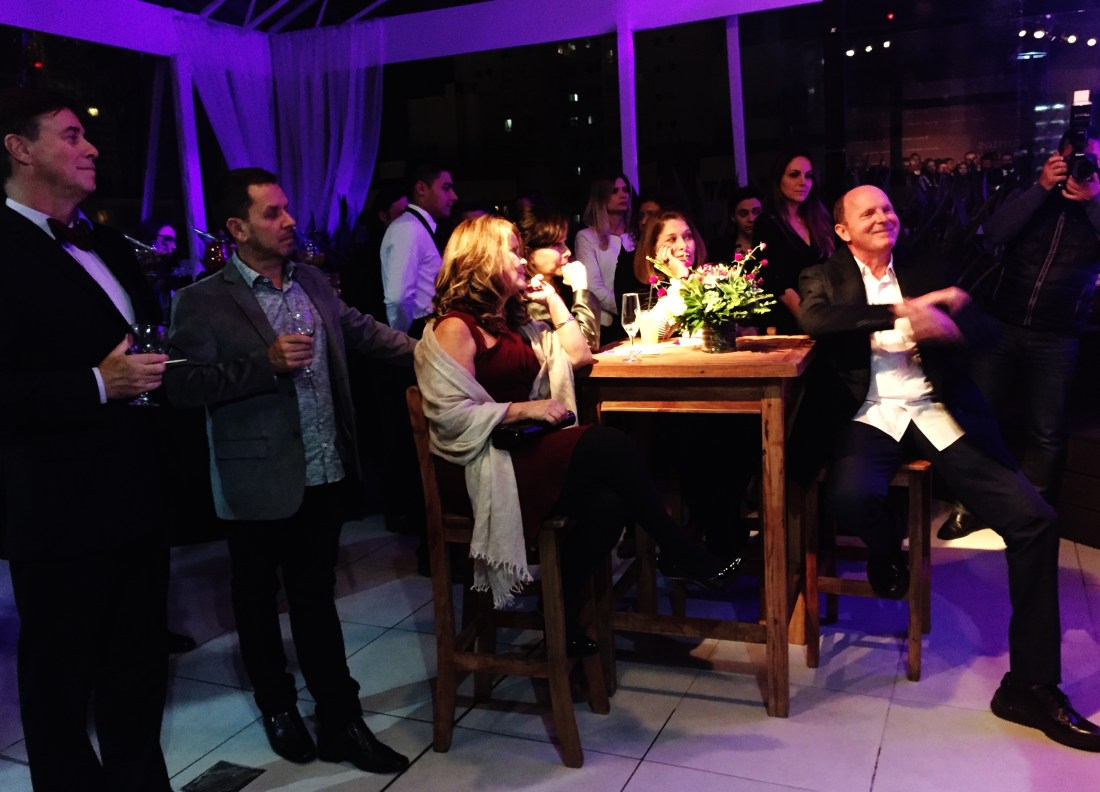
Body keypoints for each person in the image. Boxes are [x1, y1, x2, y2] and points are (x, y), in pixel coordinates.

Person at [798, 184, 1100, 752]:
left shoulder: (926, 267)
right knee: (850, 499)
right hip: (868, 414)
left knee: (1035, 521)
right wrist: (898, 311)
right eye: (868, 212)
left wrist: (955, 321)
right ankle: (887, 551)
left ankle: (1030, 687)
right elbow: (816, 318)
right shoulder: (824, 275)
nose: (883, 217)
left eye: (888, 208)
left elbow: (987, 336)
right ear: (842, 230)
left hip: (936, 412)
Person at [164, 168, 416, 774]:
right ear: (237, 228)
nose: (289, 221)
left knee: (315, 598)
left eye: (287, 209)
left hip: (324, 468)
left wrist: (442, 350)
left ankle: (340, 719)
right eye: (272, 213)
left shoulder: (312, 281)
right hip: (254, 481)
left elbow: (363, 332)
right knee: (255, 599)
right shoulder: (201, 300)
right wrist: (264, 364)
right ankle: (277, 706)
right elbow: (181, 385)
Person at [414, 215, 740, 653]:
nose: (522, 259)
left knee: (610, 504)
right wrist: (523, 408)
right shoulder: (456, 327)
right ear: (481, 260)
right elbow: (451, 416)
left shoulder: (510, 324)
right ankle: (679, 550)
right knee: (608, 444)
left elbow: (579, 354)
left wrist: (553, 299)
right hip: (479, 466)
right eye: (513, 250)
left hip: (519, 453)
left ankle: (559, 613)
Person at [0, 86, 172, 791]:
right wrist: (97, 384)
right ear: (19, 148)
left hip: (136, 493)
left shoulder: (103, 240)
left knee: (138, 668)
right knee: (60, 685)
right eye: (71, 135)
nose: (92, 147)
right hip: (56, 508)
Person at [938, 129, 1100, 541]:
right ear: (1057, 157)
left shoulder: (1097, 206)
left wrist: (1093, 202)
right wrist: (1041, 187)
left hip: (1058, 335)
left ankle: (1030, 516)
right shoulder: (1032, 193)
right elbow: (994, 232)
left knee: (1045, 431)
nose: (1079, 168)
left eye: (1091, 162)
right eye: (1072, 159)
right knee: (979, 417)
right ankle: (969, 505)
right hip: (1002, 324)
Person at [754, 151, 835, 333]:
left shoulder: (820, 219)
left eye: (809, 176)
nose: (803, 182)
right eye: (794, 175)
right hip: (790, 320)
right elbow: (776, 281)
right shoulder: (767, 222)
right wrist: (809, 319)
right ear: (778, 179)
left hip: (825, 313)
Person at [380, 161, 457, 337]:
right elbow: (398, 298)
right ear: (421, 188)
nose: (454, 196)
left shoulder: (415, 227)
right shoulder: (407, 228)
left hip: (428, 326)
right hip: (419, 331)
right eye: (446, 188)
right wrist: (402, 338)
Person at [515, 204, 601, 350]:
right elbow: (586, 345)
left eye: (564, 242)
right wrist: (580, 289)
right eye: (556, 245)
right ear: (528, 251)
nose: (567, 251)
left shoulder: (558, 285)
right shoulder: (532, 297)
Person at [575, 173, 635, 341]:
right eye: (614, 191)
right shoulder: (587, 237)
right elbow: (593, 288)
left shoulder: (635, 235)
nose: (623, 195)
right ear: (601, 197)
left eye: (625, 190)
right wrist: (630, 309)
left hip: (639, 320)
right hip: (607, 325)